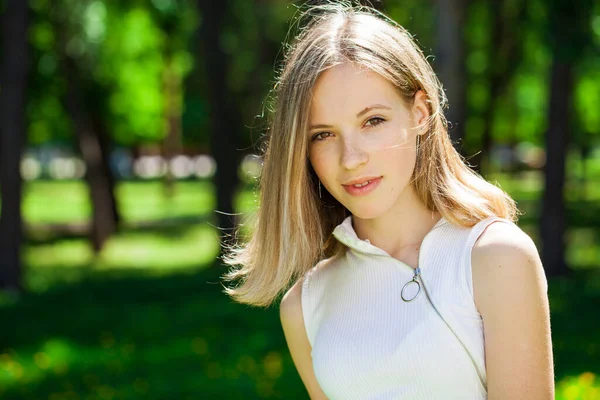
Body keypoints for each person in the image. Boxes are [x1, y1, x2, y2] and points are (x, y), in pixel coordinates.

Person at [222, 2, 554, 399]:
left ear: (420, 113)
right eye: (323, 135)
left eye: (372, 121)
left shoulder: (496, 257)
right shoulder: (304, 306)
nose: (351, 158)